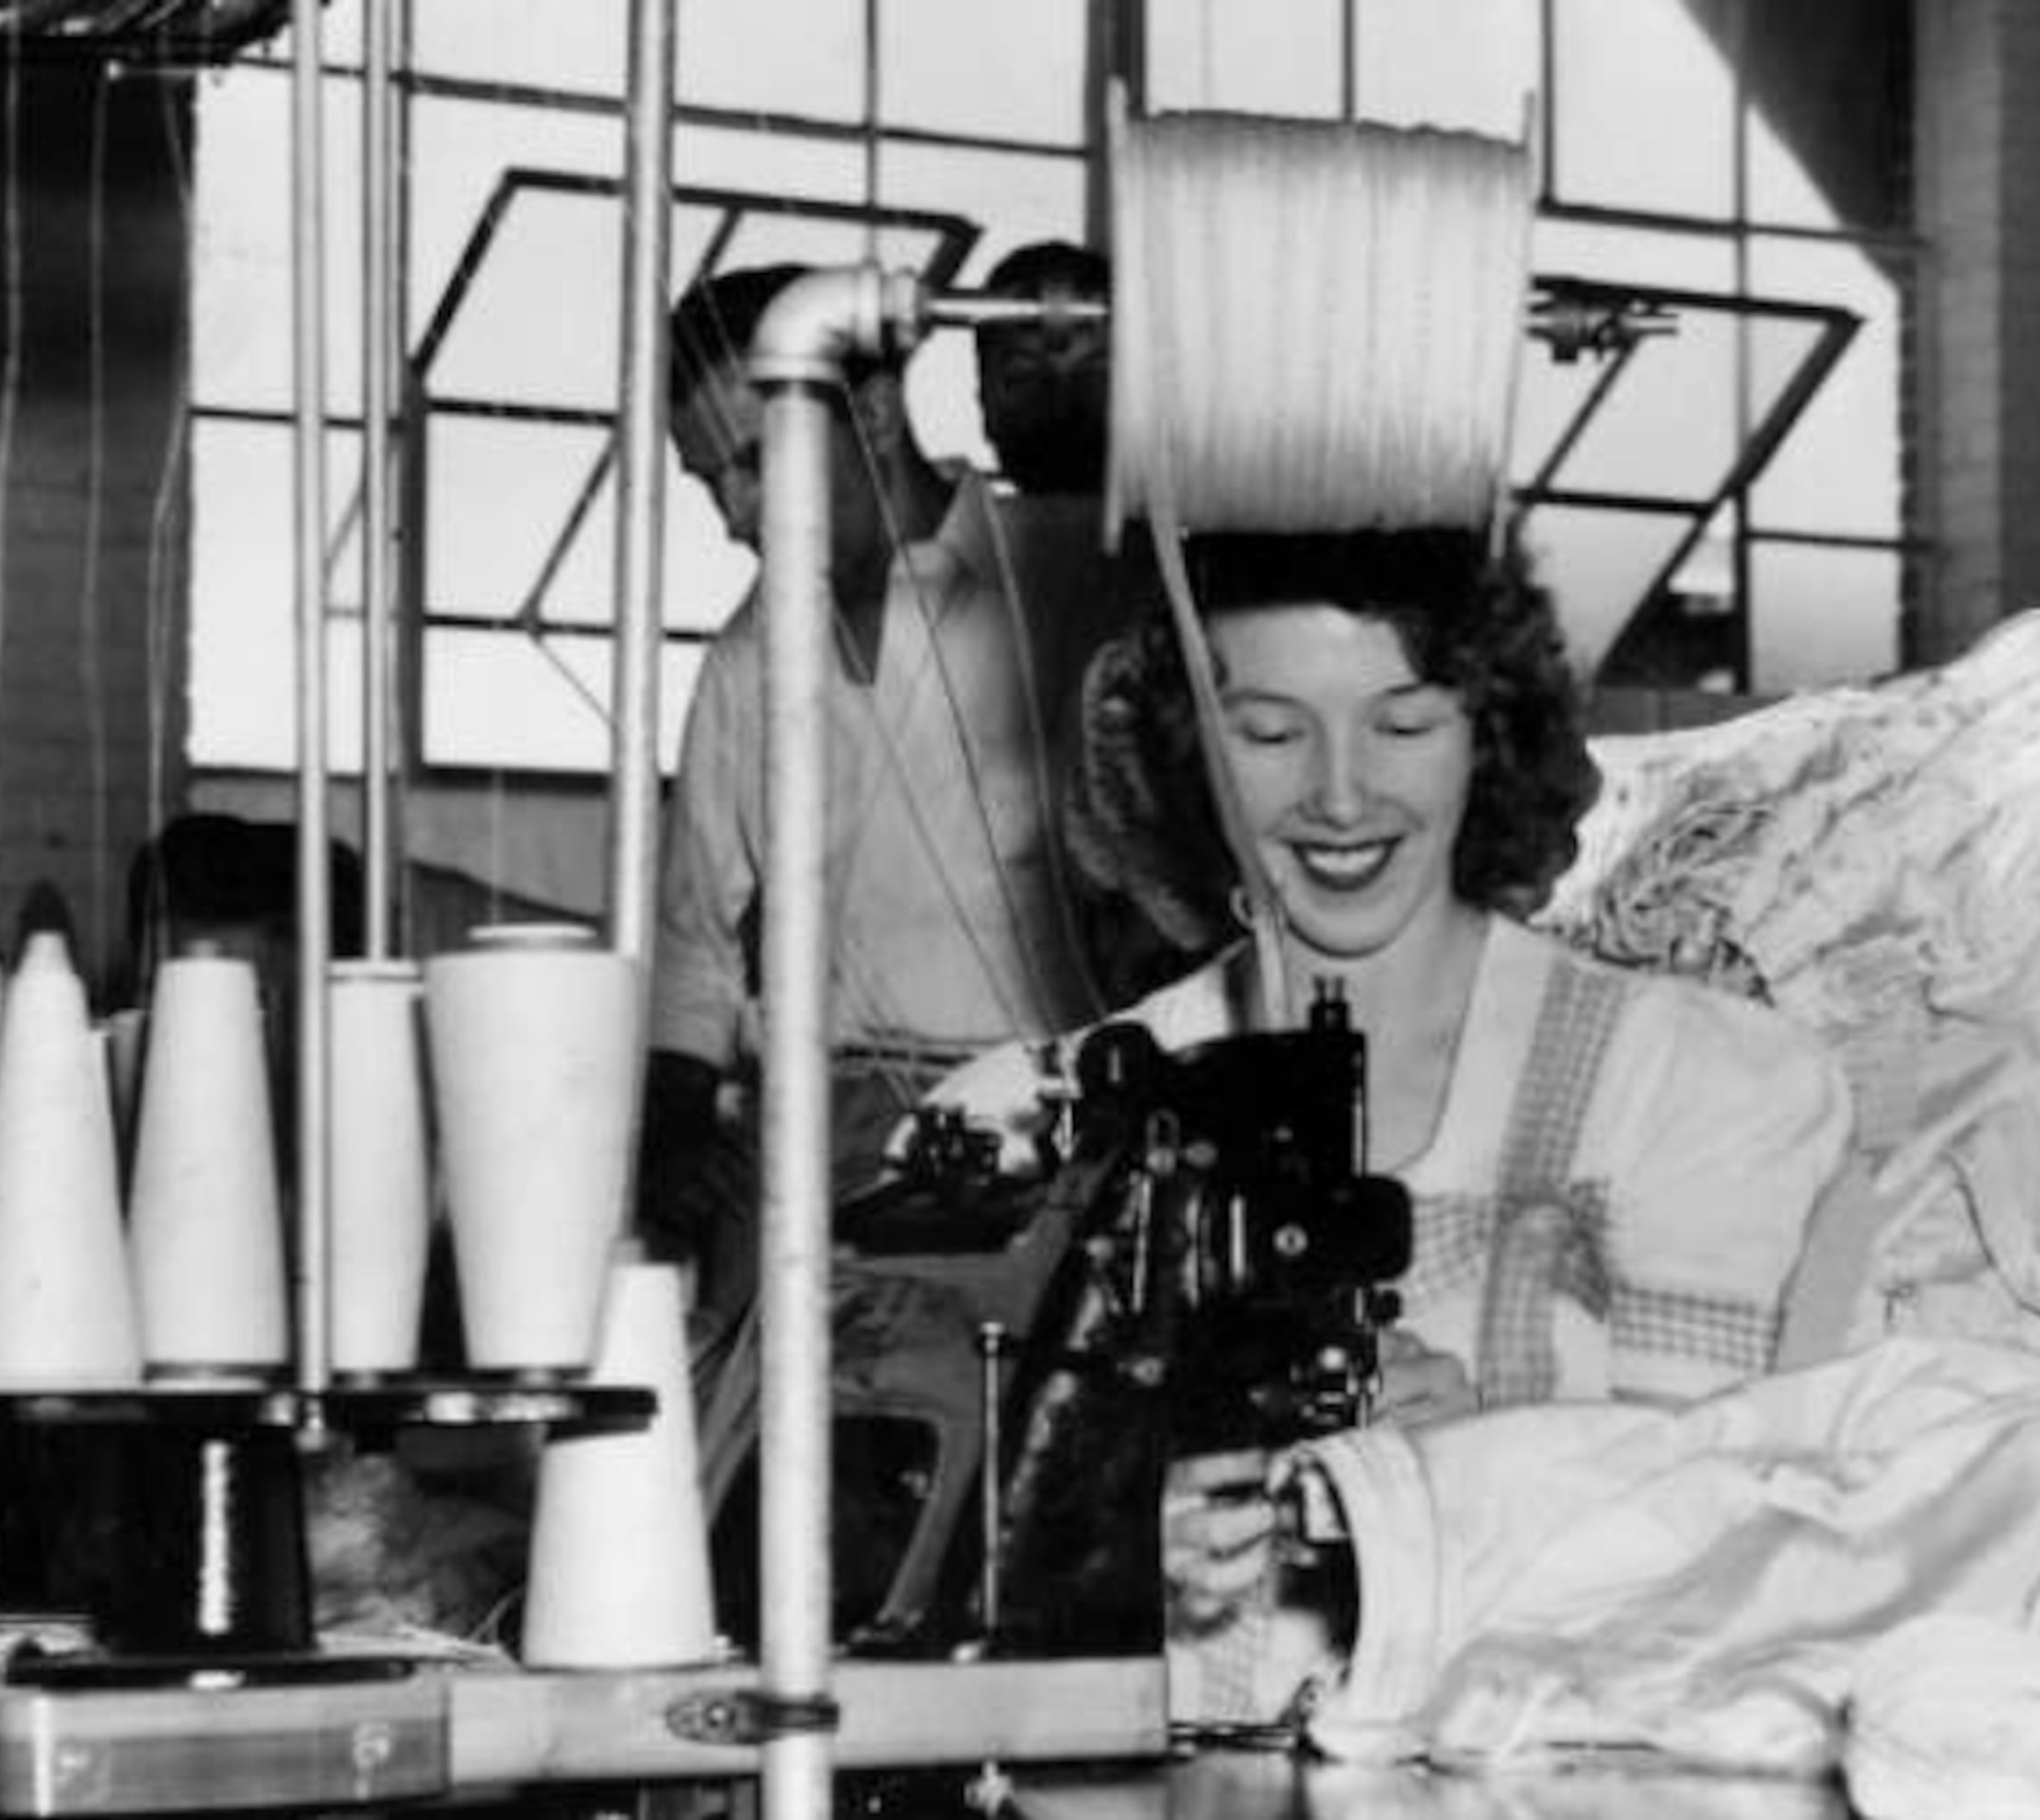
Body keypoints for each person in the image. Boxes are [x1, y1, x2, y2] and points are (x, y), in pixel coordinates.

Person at [918, 525, 1856, 1709]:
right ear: (1184, 754)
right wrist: (1091, 1539)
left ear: (1489, 738)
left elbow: (1709, 1558)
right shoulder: (1046, 1111)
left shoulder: (1676, 1084)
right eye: (1267, 733)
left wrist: (1448, 1484)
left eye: (1404, 724)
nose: (1341, 794)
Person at [639, 257, 1126, 1478]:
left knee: (1011, 1483)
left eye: (753, 465)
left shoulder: (1069, 583)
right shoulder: (748, 661)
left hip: (1039, 1139)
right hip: (816, 1137)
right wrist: (661, 1184)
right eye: (709, 485)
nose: (738, 516)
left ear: (864, 413)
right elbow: (698, 953)